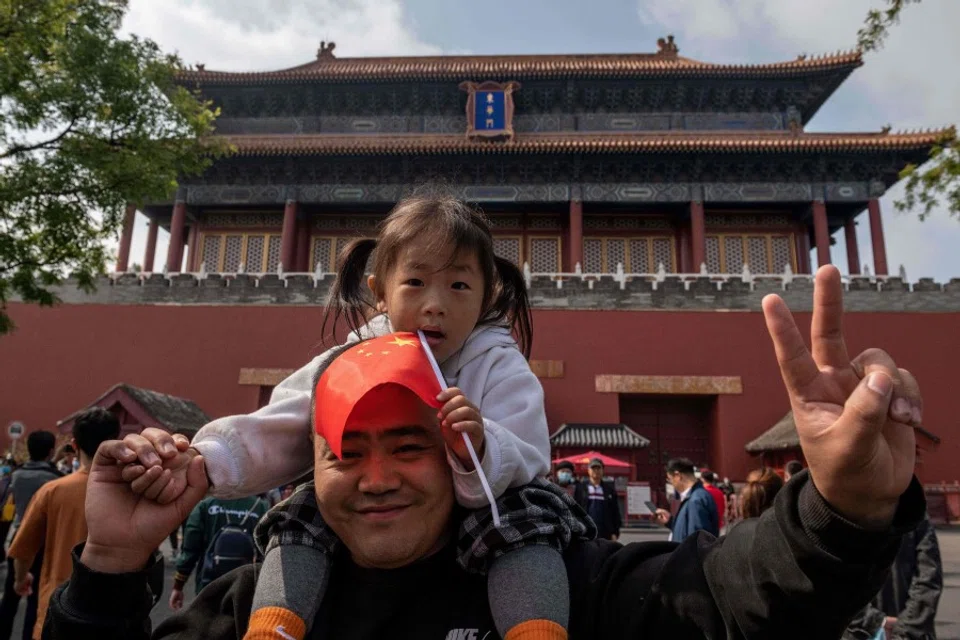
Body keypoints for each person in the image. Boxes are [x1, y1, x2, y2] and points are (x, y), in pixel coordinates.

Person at [42, 266, 930, 639]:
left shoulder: (568, 584)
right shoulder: (257, 610)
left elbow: (736, 605)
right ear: (306, 461)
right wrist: (113, 563)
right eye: (348, 450)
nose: (378, 476)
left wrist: (844, 512)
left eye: (410, 444)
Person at [121, 195, 589, 640]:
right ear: (379, 292)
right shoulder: (348, 358)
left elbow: (528, 446)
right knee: (299, 519)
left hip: (490, 501)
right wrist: (207, 462)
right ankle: (273, 624)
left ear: (487, 297)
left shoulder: (499, 361)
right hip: (381, 523)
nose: (436, 304)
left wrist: (482, 445)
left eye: (459, 285)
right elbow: (285, 423)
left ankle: (537, 629)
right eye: (415, 282)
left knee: (527, 525)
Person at [7, 409, 119, 639]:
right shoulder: (129, 490)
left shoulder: (53, 491)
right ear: (116, 442)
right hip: (115, 611)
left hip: (58, 605)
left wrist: (20, 579)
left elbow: (23, 549)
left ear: (75, 445)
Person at [0, 431, 60, 640]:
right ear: (51, 451)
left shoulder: (15, 475)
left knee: (11, 595)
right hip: (44, 540)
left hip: (19, 535)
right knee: (36, 598)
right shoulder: (55, 480)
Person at [843, 514, 942, 640]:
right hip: (866, 631)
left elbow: (928, 576)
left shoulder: (916, 515)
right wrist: (878, 622)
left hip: (864, 630)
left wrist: (895, 626)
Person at [168, 494, 268, 611]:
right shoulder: (261, 507)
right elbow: (267, 552)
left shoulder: (206, 505)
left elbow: (190, 549)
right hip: (246, 587)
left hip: (208, 586)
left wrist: (178, 586)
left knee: (206, 623)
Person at [654, 458, 719, 541]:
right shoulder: (693, 497)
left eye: (669, 479)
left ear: (677, 476)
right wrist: (670, 521)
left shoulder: (695, 500)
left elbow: (697, 541)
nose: (671, 483)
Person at [572, 459, 621, 541]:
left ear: (603, 470)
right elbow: (575, 509)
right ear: (588, 470)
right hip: (586, 530)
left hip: (605, 531)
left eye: (598, 468)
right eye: (593, 468)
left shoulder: (609, 490)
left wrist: (615, 532)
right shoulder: (581, 488)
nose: (596, 471)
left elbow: (615, 512)